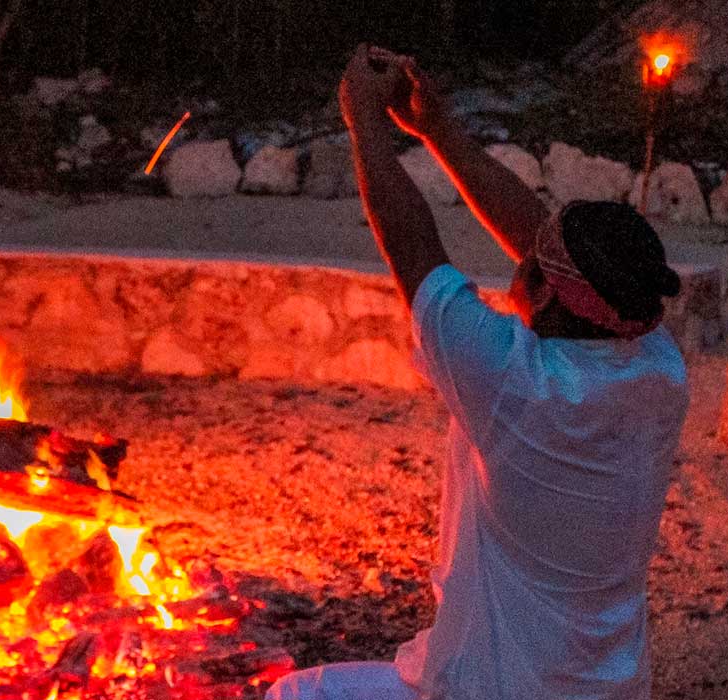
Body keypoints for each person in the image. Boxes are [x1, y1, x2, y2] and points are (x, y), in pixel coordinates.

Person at [266, 46, 690, 700]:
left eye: (536, 256)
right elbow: (546, 248)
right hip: (606, 687)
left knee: (295, 695)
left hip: (490, 688)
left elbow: (414, 247)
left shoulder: (516, 387)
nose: (524, 244)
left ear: (546, 293)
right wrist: (438, 132)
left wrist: (367, 125)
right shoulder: (655, 364)